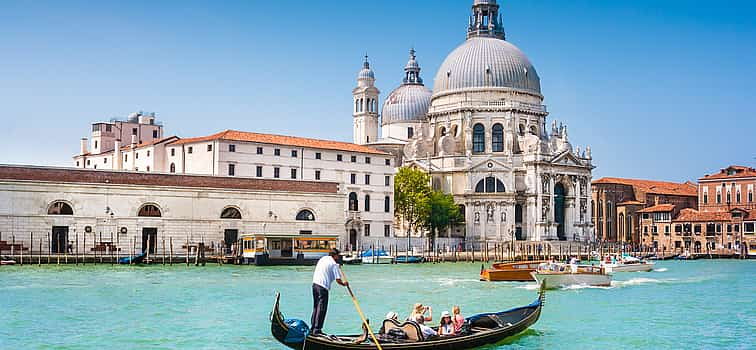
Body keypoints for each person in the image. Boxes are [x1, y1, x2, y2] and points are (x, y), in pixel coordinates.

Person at [311, 248, 348, 335]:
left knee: (316, 307)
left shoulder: (323, 259)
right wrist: (345, 284)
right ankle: (317, 330)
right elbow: (338, 281)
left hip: (315, 285)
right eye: (338, 256)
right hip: (323, 287)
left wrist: (337, 267)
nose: (338, 257)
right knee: (322, 308)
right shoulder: (333, 264)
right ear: (335, 255)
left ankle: (313, 328)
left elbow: (328, 270)